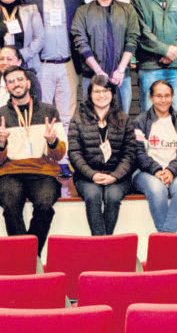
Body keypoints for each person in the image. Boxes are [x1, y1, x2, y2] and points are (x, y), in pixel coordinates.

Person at [0, 66, 66, 253]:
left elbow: (60, 154)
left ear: (28, 82)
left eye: (20, 79)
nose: (16, 84)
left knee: (45, 204)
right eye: (11, 81)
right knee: (10, 202)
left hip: (42, 172)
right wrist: (1, 143)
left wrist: (52, 142)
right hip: (8, 172)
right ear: (6, 88)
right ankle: (24, 256)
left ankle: (30, 255)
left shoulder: (49, 112)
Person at [68, 76, 135, 235]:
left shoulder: (124, 120)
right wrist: (92, 175)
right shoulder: (78, 120)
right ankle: (101, 244)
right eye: (97, 91)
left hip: (118, 176)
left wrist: (115, 176)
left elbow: (130, 154)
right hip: (87, 176)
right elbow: (74, 153)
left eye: (106, 90)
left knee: (113, 197)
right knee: (93, 196)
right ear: (89, 94)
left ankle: (105, 242)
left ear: (112, 93)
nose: (101, 95)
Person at [23, 0, 86, 122]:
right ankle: (45, 149)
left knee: (66, 116)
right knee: (41, 115)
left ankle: (63, 149)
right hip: (41, 65)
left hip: (68, 65)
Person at [70, 0, 139, 112]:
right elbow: (81, 43)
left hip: (121, 78)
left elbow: (132, 40)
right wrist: (98, 71)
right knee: (91, 120)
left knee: (121, 120)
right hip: (92, 77)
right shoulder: (83, 12)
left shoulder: (127, 10)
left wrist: (120, 70)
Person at [131, 80, 177, 233]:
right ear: (151, 98)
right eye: (159, 96)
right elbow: (138, 152)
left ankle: (165, 237)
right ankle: (168, 241)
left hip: (176, 171)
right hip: (146, 172)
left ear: (172, 97)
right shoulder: (140, 121)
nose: (163, 99)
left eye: (167, 95)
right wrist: (157, 170)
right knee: (157, 190)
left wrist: (171, 170)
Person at [0, 45, 42, 110]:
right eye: (1, 59)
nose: (4, 62)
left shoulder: (28, 77)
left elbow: (36, 104)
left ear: (19, 62)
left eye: (9, 59)